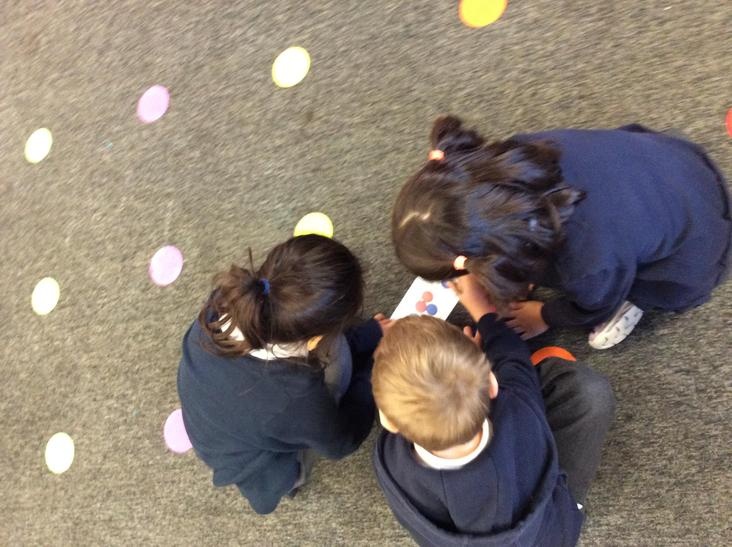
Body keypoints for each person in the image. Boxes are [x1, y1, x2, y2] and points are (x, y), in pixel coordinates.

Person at [392, 116, 731, 348]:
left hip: (697, 244)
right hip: (670, 161)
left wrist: (543, 315)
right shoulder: (515, 154)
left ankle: (634, 303)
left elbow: (595, 300)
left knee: (626, 290)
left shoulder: (588, 266)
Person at [371, 274, 615, 546]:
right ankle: (572, 507)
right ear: (491, 382)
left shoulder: (389, 459)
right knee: (590, 392)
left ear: (389, 422)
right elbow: (514, 360)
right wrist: (484, 314)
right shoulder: (517, 408)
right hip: (550, 533)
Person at [177, 235, 388, 514]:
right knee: (341, 370)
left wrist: (367, 335)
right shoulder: (296, 395)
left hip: (212, 415)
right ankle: (294, 477)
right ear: (315, 339)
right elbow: (341, 442)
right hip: (255, 461)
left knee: (337, 362)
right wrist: (374, 370)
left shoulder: (227, 297)